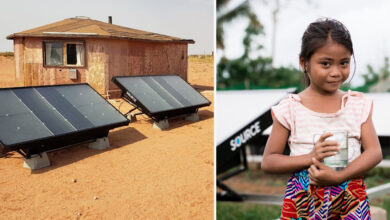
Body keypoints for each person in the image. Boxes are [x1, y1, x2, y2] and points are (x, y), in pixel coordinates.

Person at [261, 18, 382, 219]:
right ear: (304, 63)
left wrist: (339, 176)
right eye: (325, 64)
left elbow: (374, 152)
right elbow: (269, 161)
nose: (336, 72)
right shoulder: (290, 108)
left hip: (350, 197)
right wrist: (310, 157)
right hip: (304, 199)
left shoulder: (357, 104)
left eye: (344, 63)